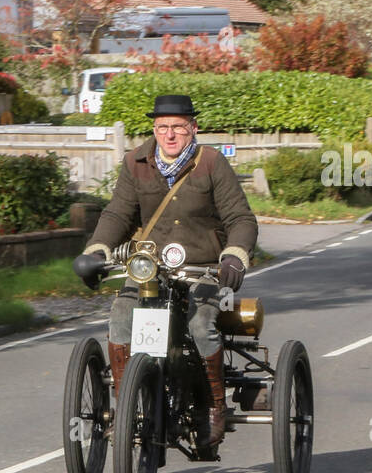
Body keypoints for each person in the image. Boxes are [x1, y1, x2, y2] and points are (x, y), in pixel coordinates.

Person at [78, 94, 257, 451]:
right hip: (148, 269)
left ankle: (213, 405)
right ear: (154, 129)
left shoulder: (211, 163)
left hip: (203, 270)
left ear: (193, 128)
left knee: (200, 326)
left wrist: (234, 257)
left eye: (178, 127)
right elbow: (117, 215)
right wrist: (95, 251)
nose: (170, 135)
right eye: (162, 127)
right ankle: (126, 406)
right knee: (121, 318)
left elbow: (240, 219)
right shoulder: (136, 162)